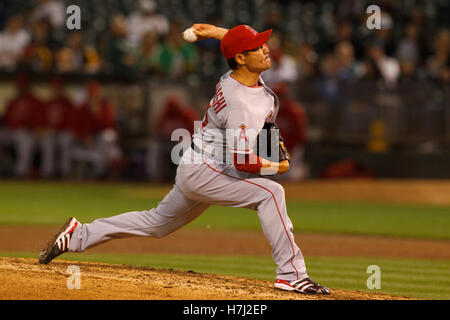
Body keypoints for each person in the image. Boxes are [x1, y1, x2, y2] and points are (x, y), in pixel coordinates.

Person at [38, 24, 330, 295]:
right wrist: (277, 165)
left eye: (262, 43)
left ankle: (79, 235)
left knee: (156, 223)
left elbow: (255, 100)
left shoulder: (238, 76)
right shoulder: (241, 102)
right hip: (207, 170)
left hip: (200, 165)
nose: (266, 49)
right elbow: (243, 162)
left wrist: (217, 32)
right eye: (258, 46)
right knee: (272, 192)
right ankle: (291, 274)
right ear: (241, 58)